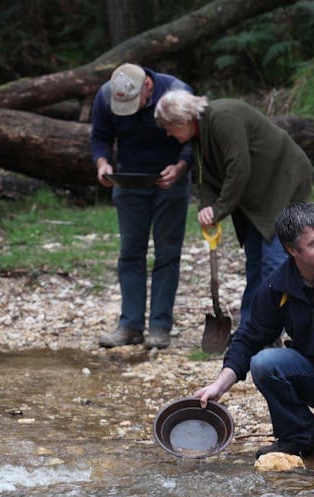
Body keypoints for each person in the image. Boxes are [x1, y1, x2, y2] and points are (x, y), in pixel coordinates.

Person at [195, 202, 314, 463]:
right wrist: (219, 385)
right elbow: (249, 338)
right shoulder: (278, 284)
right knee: (264, 363)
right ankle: (296, 438)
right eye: (313, 243)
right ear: (291, 250)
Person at [154, 90, 314, 330]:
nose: (168, 134)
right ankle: (251, 328)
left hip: (282, 183)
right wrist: (207, 207)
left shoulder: (223, 118)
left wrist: (219, 209)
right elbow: (206, 176)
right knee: (255, 263)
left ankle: (277, 327)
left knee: (273, 262)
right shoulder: (200, 133)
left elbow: (238, 169)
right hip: (255, 196)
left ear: (183, 120)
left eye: (169, 127)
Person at [91, 63, 193, 349]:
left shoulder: (177, 92)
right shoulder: (105, 96)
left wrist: (181, 167)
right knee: (130, 253)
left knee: (167, 254)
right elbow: (100, 137)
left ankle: (160, 327)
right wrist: (102, 164)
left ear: (148, 85)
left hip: (170, 182)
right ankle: (130, 325)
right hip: (128, 182)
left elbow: (195, 138)